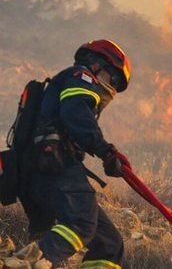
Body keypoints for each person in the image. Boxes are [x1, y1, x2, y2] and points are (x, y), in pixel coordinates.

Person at [18, 39, 133, 269]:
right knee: (81, 221)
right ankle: (20, 265)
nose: (111, 86)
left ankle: (33, 258)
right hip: (55, 167)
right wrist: (106, 152)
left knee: (109, 244)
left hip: (42, 173)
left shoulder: (68, 81)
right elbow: (75, 114)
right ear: (97, 64)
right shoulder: (80, 76)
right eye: (114, 79)